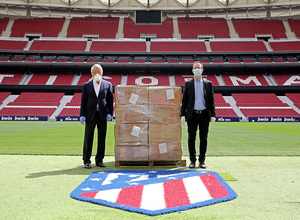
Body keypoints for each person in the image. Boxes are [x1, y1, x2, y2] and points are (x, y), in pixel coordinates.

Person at [181, 61, 216, 169]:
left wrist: (213, 114)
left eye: (199, 68)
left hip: (204, 114)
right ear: (192, 70)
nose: (197, 69)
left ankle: (202, 161)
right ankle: (192, 160)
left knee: (203, 139)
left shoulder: (208, 84)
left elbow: (211, 100)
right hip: (192, 115)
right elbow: (185, 100)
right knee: (191, 138)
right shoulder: (188, 84)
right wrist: (182, 115)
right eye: (195, 68)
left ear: (202, 70)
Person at [80, 64, 113, 169]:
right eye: (95, 72)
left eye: (99, 71)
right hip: (90, 114)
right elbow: (83, 101)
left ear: (102, 73)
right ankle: (86, 160)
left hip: (102, 115)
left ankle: (99, 160)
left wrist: (109, 113)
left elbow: (110, 101)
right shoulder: (86, 85)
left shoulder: (108, 84)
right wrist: (82, 114)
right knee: (88, 138)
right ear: (91, 74)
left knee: (102, 138)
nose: (97, 73)